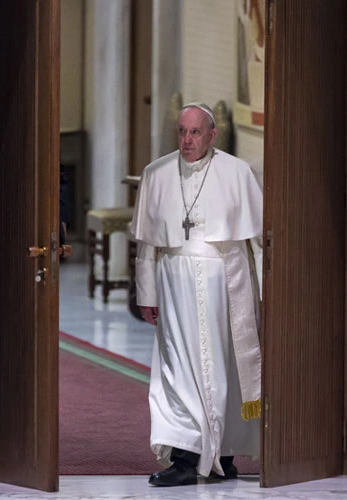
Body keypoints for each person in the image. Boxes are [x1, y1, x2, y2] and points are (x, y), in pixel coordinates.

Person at [131, 102, 263, 486]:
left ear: (211, 135)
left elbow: (256, 243)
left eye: (195, 133)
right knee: (178, 372)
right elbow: (147, 246)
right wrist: (147, 294)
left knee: (222, 370)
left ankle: (223, 456)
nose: (187, 140)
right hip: (173, 284)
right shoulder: (156, 173)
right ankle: (186, 457)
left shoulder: (237, 173)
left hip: (223, 284)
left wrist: (266, 295)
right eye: (182, 132)